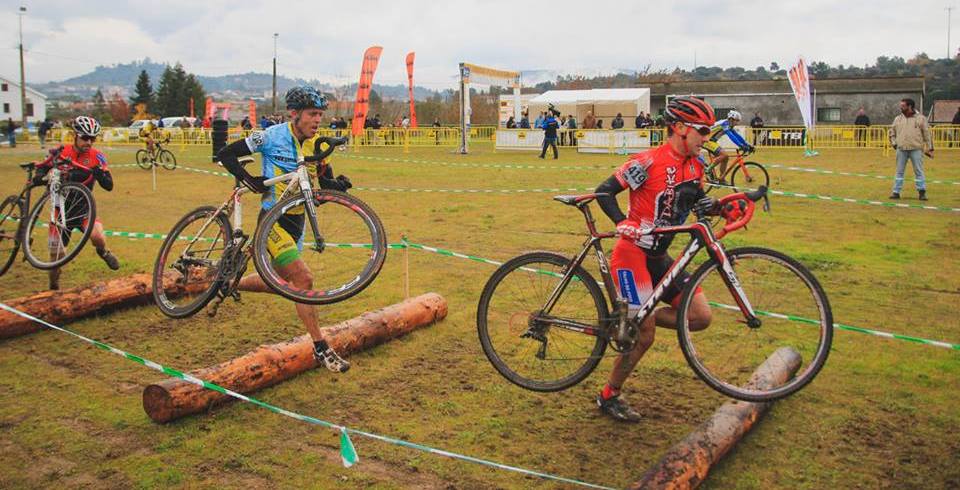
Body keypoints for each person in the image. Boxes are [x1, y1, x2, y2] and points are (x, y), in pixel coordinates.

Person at [591, 96, 719, 422]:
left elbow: (697, 202)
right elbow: (604, 191)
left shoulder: (696, 165)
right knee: (645, 335)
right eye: (703, 131)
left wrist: (719, 206)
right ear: (680, 128)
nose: (707, 138)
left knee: (700, 316)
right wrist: (622, 221)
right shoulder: (648, 162)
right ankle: (609, 395)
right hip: (632, 254)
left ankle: (635, 319)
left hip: (660, 257)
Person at [216, 86, 354, 373]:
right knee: (303, 279)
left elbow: (323, 184)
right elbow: (226, 154)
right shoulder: (271, 136)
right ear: (294, 114)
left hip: (297, 222)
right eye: (312, 114)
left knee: (281, 282)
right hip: (272, 220)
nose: (317, 120)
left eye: (320, 114)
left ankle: (228, 282)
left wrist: (338, 186)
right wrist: (248, 178)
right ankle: (320, 347)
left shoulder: (316, 145)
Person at [33, 116, 120, 290]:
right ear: (75, 135)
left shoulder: (98, 156)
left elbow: (109, 185)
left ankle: (103, 252)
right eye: (85, 138)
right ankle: (53, 286)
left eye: (92, 139)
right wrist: (40, 175)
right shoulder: (60, 151)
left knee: (98, 237)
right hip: (59, 212)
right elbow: (43, 167)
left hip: (83, 209)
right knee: (56, 258)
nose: (89, 142)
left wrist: (100, 175)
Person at [888, 98, 933, 201]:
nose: (901, 108)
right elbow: (891, 132)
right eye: (901, 106)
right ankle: (896, 192)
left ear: (910, 106)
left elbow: (927, 134)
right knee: (899, 171)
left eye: (903, 106)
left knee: (919, 171)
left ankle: (922, 192)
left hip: (916, 149)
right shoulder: (897, 119)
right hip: (901, 149)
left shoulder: (921, 118)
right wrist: (894, 143)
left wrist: (930, 148)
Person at [701, 110, 753, 184]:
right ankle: (708, 170)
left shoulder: (729, 125)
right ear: (731, 119)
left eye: (738, 121)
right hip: (705, 140)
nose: (737, 123)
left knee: (725, 158)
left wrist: (747, 145)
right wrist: (741, 145)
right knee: (724, 155)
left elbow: (737, 136)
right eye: (736, 121)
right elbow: (731, 136)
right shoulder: (725, 123)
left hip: (711, 141)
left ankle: (721, 179)